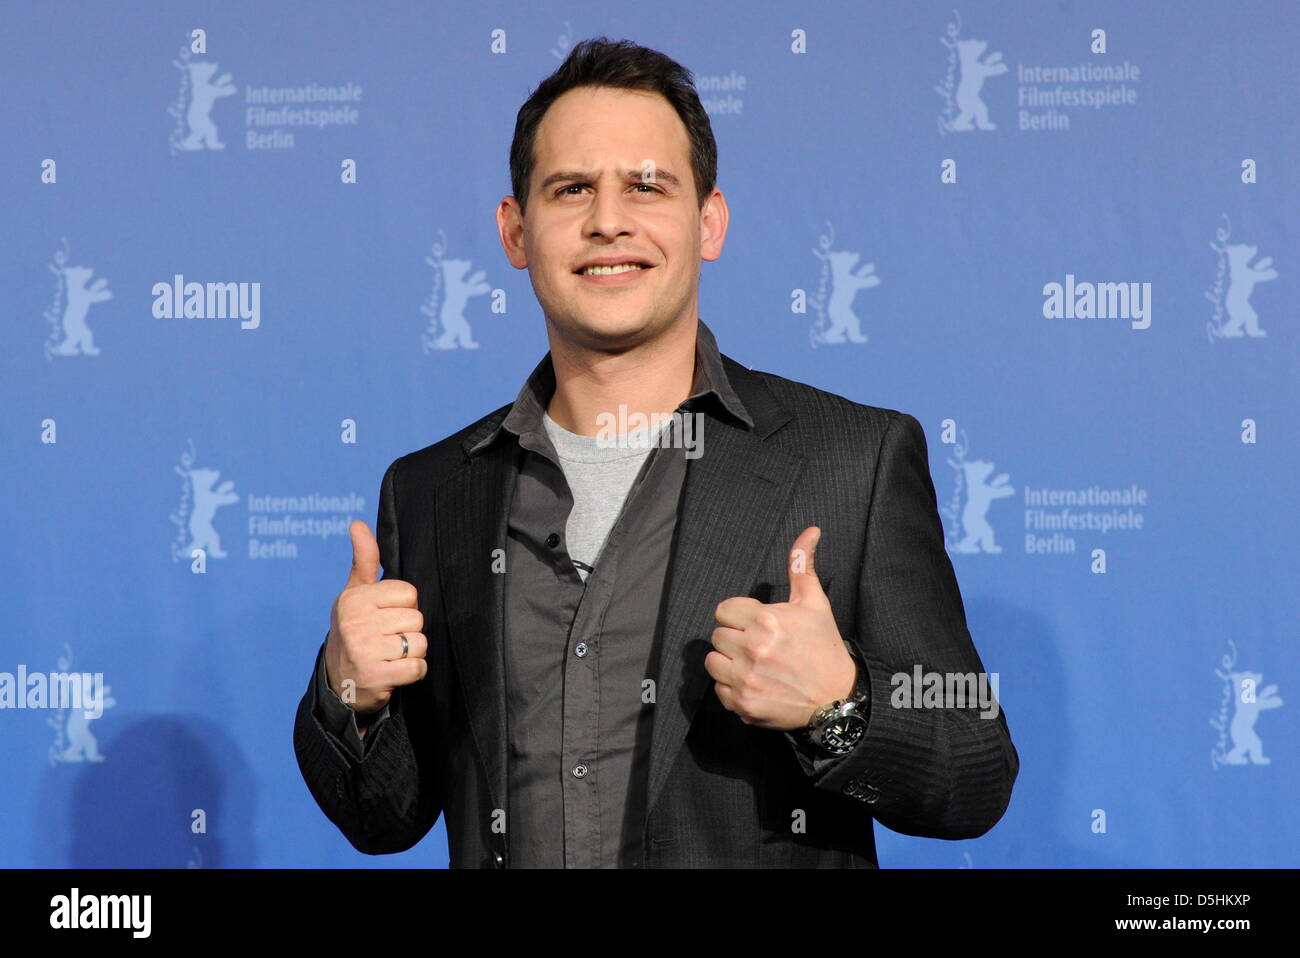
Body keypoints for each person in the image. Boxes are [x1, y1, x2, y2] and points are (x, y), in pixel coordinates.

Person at [293, 36, 1018, 868]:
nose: (609, 220)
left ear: (708, 222)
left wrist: (838, 705)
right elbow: (382, 819)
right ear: (515, 230)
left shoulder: (853, 459)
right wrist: (350, 693)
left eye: (646, 185)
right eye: (571, 189)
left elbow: (976, 773)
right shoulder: (430, 488)